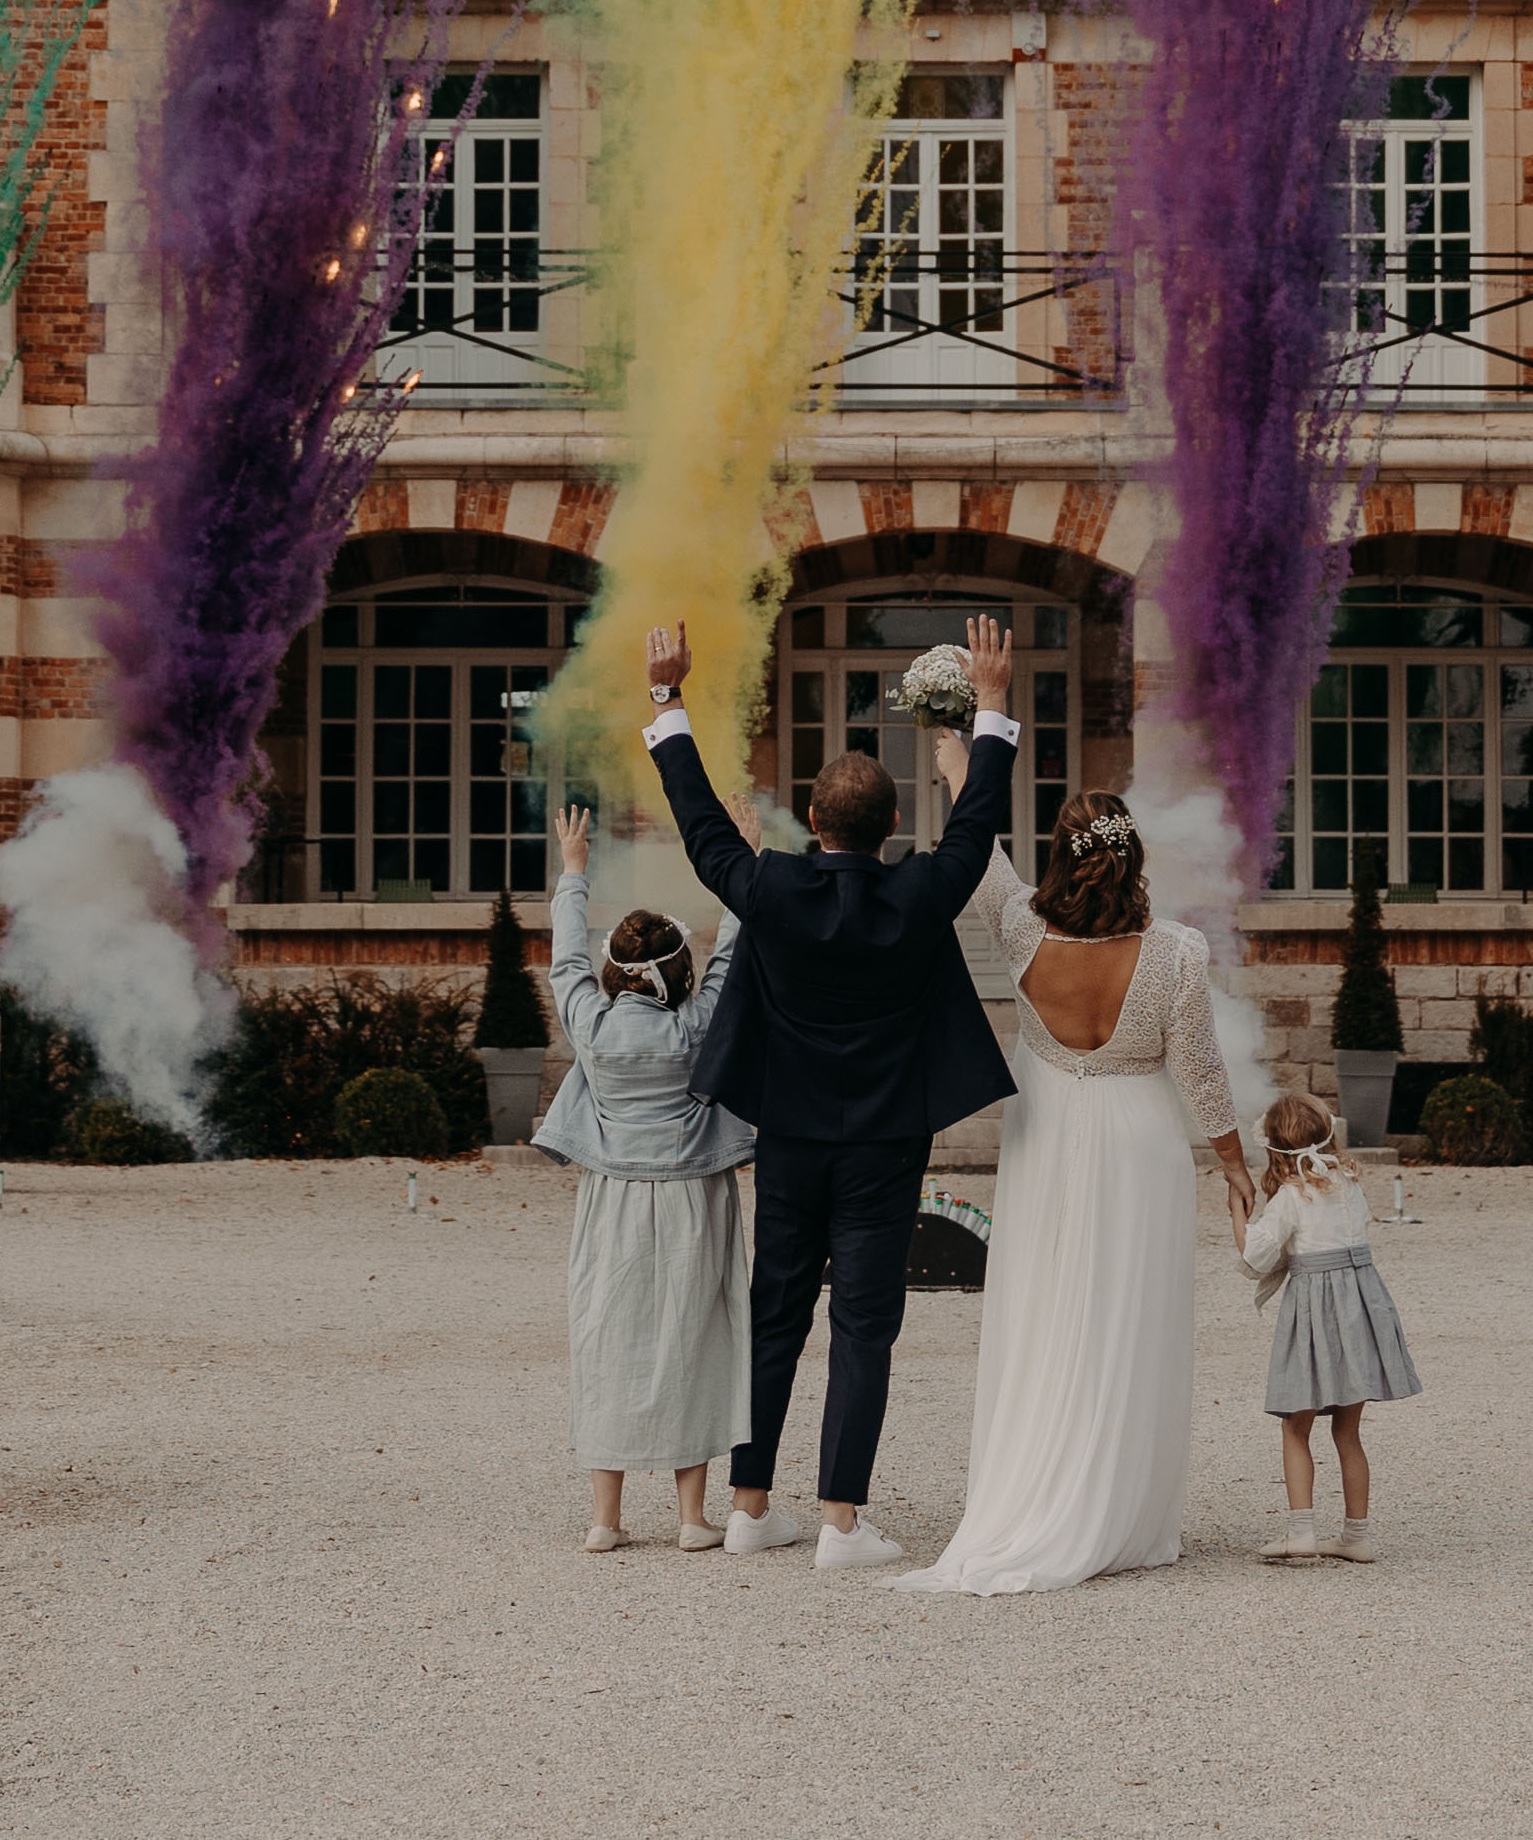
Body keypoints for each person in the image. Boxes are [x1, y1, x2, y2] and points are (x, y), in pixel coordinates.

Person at [640, 614, 1017, 1570]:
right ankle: (842, 1520)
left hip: (792, 1135)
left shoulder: (768, 886)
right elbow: (976, 825)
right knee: (864, 1324)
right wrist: (994, 708)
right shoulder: (923, 891)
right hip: (887, 1140)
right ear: (891, 825)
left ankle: (748, 1503)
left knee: (775, 1313)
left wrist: (666, 698)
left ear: (811, 824)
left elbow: (696, 827)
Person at [889, 770, 1258, 1597]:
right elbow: (1200, 1071)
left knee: (1044, 1308)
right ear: (1133, 858)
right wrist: (1235, 1165)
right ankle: (1119, 1511)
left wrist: (963, 761)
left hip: (1047, 1133)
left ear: (1061, 855)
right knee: (1127, 1316)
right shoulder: (1174, 952)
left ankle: (1036, 1485)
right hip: (1140, 1143)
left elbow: (981, 852)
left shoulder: (1021, 928)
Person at [533, 799, 756, 1551]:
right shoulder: (695, 1025)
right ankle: (692, 1518)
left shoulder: (591, 1025)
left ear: (615, 971)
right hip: (694, 1193)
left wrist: (573, 870)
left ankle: (606, 1518)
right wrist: (738, 867)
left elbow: (564, 961)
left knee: (608, 1337)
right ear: (675, 970)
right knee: (691, 1335)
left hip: (613, 1199)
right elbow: (732, 952)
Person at [1237, 1088, 1419, 1563]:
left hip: (1317, 1313)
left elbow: (1256, 1257)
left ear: (1274, 1147)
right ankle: (1356, 1536)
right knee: (1347, 1430)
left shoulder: (1290, 1198)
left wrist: (1237, 1212)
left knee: (1296, 1426)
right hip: (1360, 1306)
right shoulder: (1349, 1183)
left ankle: (1301, 1532)